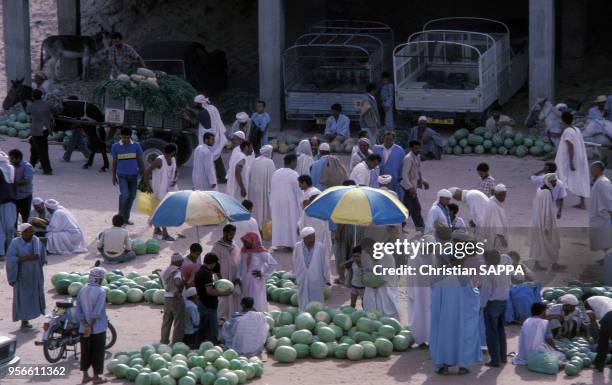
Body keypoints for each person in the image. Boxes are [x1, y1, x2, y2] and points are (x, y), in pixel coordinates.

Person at [430, 257, 482, 375]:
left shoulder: (442, 276)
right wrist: (477, 289)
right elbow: (471, 296)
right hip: (460, 316)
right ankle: (462, 367)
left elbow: (435, 295)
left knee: (445, 339)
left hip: (445, 317)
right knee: (461, 338)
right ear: (459, 263)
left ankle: (445, 368)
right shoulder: (463, 277)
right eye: (463, 262)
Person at [6, 223, 46, 329]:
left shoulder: (35, 240)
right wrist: (26, 257)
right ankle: (24, 321)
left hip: (34, 274)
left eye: (32, 231)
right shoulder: (15, 243)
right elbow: (10, 259)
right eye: (29, 231)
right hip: (22, 275)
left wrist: (41, 259)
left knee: (34, 295)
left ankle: (33, 315)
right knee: (23, 297)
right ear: (23, 233)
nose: (32, 233)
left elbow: (40, 254)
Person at [75, 267, 109, 385]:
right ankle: (96, 377)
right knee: (98, 352)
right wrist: (90, 325)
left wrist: (84, 324)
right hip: (98, 329)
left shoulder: (82, 290)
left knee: (85, 351)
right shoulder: (101, 291)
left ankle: (85, 376)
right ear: (100, 279)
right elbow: (97, 311)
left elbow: (78, 308)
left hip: (83, 328)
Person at [480, 250, 511, 367]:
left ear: (487, 260)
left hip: (492, 304)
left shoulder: (489, 273)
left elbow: (486, 292)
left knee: (491, 332)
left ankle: (495, 360)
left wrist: (481, 305)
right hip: (503, 302)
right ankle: (503, 357)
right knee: (500, 330)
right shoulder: (504, 269)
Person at [555, 111, 590, 209]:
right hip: (579, 158)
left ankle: (559, 202)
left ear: (563, 121)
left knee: (559, 178)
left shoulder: (567, 131)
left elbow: (570, 147)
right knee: (579, 179)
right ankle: (582, 203)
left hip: (568, 160)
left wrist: (571, 162)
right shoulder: (577, 129)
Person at [194, 253, 231, 344]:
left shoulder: (200, 271)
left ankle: (197, 346)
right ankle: (213, 345)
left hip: (202, 303)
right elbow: (209, 291)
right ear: (213, 263)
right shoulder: (206, 274)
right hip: (208, 305)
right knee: (212, 329)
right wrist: (224, 293)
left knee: (202, 328)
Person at [144, 143, 178, 241]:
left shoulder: (173, 160)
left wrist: (175, 179)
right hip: (158, 190)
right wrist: (148, 186)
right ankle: (165, 233)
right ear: (174, 152)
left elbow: (175, 171)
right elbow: (147, 172)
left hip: (169, 189)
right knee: (163, 211)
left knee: (160, 210)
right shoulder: (159, 160)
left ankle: (157, 229)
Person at [529, 174, 563, 271]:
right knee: (553, 243)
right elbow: (547, 212)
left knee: (539, 243)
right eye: (553, 181)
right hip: (545, 223)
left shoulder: (540, 190)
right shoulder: (547, 193)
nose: (555, 183)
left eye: (555, 181)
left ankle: (538, 263)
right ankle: (554, 264)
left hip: (538, 221)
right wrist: (547, 226)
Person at [111, 127, 145, 225]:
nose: (126, 140)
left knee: (132, 196)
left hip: (134, 176)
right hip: (122, 176)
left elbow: (140, 161)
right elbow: (114, 163)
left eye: (128, 138)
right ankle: (120, 218)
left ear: (130, 137)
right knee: (125, 195)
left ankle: (126, 218)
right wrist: (113, 176)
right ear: (120, 136)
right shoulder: (115, 147)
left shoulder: (136, 146)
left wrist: (144, 174)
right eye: (124, 137)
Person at [361, 238, 401, 319]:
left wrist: (376, 283)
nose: (368, 253)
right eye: (366, 251)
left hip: (387, 282)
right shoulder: (367, 255)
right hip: (373, 282)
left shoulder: (386, 255)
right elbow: (367, 270)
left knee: (384, 298)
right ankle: (372, 317)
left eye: (369, 250)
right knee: (369, 296)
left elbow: (386, 275)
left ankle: (387, 318)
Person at [238, 232, 278, 312]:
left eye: (247, 242)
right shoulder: (243, 251)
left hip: (255, 279)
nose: (245, 244)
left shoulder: (261, 252)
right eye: (244, 242)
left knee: (256, 299)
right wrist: (238, 277)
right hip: (245, 279)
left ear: (253, 241)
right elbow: (240, 265)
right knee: (245, 297)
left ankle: (257, 316)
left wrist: (263, 274)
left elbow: (273, 263)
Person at [293, 227, 330, 312]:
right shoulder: (298, 246)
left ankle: (317, 315)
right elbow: (295, 261)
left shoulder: (320, 247)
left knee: (316, 298)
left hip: (317, 277)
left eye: (313, 236)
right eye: (310, 237)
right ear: (304, 238)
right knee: (303, 297)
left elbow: (325, 263)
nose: (313, 239)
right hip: (302, 276)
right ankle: (303, 315)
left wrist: (326, 277)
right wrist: (297, 274)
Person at [270, 154, 302, 249]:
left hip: (276, 201)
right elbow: (299, 191)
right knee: (291, 221)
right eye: (296, 162)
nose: (296, 164)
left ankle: (281, 242)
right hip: (289, 202)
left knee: (279, 221)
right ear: (292, 162)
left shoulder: (276, 173)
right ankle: (291, 244)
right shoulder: (294, 174)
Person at [27, 89, 61, 175]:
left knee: (41, 150)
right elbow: (57, 111)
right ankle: (31, 166)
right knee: (36, 148)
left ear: (33, 97)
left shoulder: (30, 106)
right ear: (42, 95)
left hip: (35, 130)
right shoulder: (48, 104)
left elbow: (28, 112)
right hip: (45, 129)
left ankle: (47, 170)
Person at [194, 94, 227, 180]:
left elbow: (194, 122)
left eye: (196, 104)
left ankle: (211, 177)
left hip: (208, 138)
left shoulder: (202, 113)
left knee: (209, 157)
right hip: (216, 135)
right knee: (217, 156)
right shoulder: (212, 108)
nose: (195, 105)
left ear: (200, 104)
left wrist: (186, 117)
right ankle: (222, 176)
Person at [212, 225, 241, 321]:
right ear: (224, 233)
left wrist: (238, 277)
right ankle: (219, 319)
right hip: (222, 276)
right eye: (230, 234)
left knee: (233, 298)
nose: (232, 236)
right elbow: (214, 263)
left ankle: (230, 318)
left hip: (233, 276)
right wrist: (220, 279)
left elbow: (238, 261)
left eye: (233, 234)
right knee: (223, 299)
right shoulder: (217, 246)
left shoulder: (234, 245)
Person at [297, 187, 332, 261]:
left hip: (321, 238)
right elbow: (301, 224)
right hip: (309, 238)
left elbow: (326, 226)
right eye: (312, 198)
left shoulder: (324, 210)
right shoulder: (307, 210)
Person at [401, 140, 429, 230]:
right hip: (409, 188)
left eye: (418, 148)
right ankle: (420, 227)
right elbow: (404, 174)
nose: (418, 150)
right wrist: (410, 187)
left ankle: (398, 226)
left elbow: (418, 171)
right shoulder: (408, 158)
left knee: (407, 209)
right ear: (411, 148)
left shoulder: (417, 157)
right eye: (416, 148)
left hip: (413, 186)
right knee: (416, 208)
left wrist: (423, 181)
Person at [160, 253, 185, 345]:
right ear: (178, 262)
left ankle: (164, 341)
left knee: (166, 321)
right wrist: (180, 289)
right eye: (182, 261)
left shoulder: (164, 271)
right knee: (178, 322)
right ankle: (176, 343)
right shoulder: (177, 271)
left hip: (166, 298)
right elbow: (177, 282)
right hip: (176, 299)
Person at [247, 145, 275, 227]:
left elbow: (250, 175)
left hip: (254, 189)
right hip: (264, 190)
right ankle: (264, 229)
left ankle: (255, 227)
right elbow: (272, 178)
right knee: (265, 210)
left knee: (256, 209)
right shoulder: (270, 162)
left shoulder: (255, 160)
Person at [588, 161, 612, 255]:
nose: (591, 172)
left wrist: (610, 213)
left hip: (601, 216)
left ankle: (608, 258)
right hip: (597, 215)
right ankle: (606, 257)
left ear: (597, 170)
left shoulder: (603, 182)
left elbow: (608, 200)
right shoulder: (599, 181)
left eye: (592, 170)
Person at [583, 295, 612, 371]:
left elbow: (592, 318)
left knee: (603, 344)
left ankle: (599, 365)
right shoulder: (606, 299)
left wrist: (599, 335)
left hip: (609, 316)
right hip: (609, 315)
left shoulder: (587, 302)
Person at [373, 131, 404, 198]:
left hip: (394, 180)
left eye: (390, 139)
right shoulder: (376, 149)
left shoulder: (400, 150)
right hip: (379, 179)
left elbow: (402, 166)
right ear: (383, 139)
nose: (388, 141)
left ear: (393, 140)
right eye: (386, 139)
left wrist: (400, 177)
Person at [8, 149, 34, 224]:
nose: (10, 160)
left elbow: (27, 180)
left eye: (12, 159)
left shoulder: (27, 167)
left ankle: (25, 234)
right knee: (13, 219)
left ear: (18, 158)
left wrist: (12, 183)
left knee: (25, 218)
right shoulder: (11, 166)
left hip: (25, 197)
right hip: (14, 197)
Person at [482, 184, 509, 250]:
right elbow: (497, 225)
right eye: (501, 195)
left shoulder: (495, 201)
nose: (503, 198)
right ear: (496, 194)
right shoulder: (493, 205)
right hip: (496, 236)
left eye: (504, 195)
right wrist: (503, 239)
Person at [0, 151, 17, 259]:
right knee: (10, 229)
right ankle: (10, 252)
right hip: (11, 202)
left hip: (2, 202)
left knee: (1, 230)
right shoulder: (11, 169)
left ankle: (1, 253)